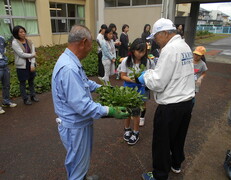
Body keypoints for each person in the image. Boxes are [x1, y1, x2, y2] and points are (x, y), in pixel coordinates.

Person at [51, 25, 129, 180]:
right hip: (75, 126)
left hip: (79, 124)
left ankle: (83, 177)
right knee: (76, 166)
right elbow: (83, 106)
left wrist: (103, 89)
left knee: (80, 161)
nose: (91, 48)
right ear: (83, 42)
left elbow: (85, 82)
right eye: (91, 44)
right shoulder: (69, 69)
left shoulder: (70, 61)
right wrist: (111, 111)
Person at [139, 18, 195, 180]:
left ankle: (159, 175)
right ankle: (176, 164)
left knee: (161, 142)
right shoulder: (184, 46)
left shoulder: (169, 49)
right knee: (179, 137)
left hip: (171, 105)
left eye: (156, 36)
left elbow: (158, 82)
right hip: (186, 102)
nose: (155, 41)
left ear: (164, 33)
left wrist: (146, 76)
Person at [120, 38, 155, 145]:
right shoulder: (126, 61)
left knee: (136, 112)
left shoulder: (148, 62)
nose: (140, 54)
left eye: (143, 51)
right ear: (133, 50)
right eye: (138, 51)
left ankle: (136, 132)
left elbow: (152, 73)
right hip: (128, 89)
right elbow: (122, 76)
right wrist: (132, 80)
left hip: (140, 89)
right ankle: (127, 129)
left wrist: (146, 79)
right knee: (127, 110)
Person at [12, 25, 39, 105]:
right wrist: (32, 55)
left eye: (24, 31)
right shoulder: (15, 43)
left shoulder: (29, 41)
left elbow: (33, 53)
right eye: (21, 32)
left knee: (31, 81)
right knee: (22, 82)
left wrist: (32, 64)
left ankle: (33, 96)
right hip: (21, 65)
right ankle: (25, 99)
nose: (23, 33)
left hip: (30, 63)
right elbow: (21, 54)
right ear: (17, 34)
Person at [0, 35, 17, 114]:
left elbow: (5, 50)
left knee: (6, 85)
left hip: (4, 65)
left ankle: (6, 101)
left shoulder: (2, 38)